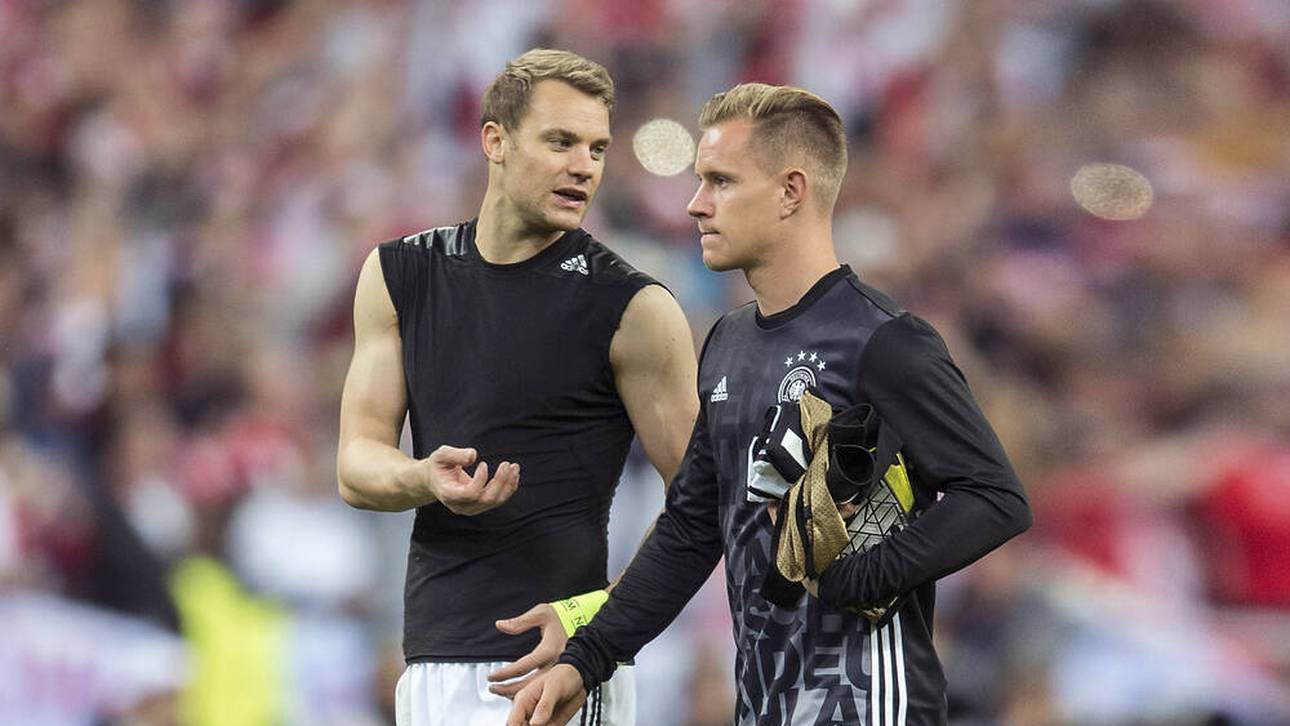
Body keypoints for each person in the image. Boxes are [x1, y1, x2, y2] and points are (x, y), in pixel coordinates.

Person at [507, 82, 1033, 726]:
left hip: (871, 702)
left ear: (791, 191)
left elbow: (995, 497)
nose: (696, 205)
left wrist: (866, 575)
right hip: (764, 703)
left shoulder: (884, 340)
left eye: (721, 181)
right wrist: (586, 660)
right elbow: (692, 528)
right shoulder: (727, 344)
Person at [336, 49, 698, 726]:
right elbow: (356, 465)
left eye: (596, 148)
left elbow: (706, 499)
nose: (584, 165)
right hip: (431, 671)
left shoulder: (634, 309)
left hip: (556, 675)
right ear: (495, 141)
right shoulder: (398, 277)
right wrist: (424, 479)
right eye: (561, 142)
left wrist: (599, 623)